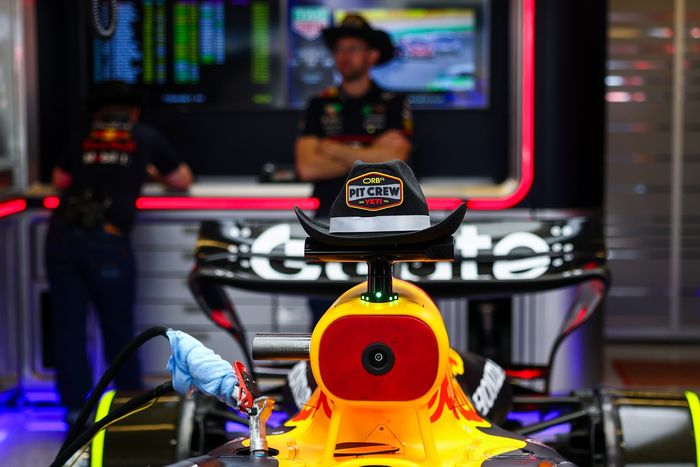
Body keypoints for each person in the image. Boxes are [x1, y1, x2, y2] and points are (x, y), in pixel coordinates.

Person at [45, 83, 193, 424]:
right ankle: (128, 410)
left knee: (69, 327)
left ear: (97, 111)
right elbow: (182, 179)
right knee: (118, 328)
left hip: (62, 238)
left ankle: (76, 413)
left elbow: (60, 179)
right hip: (107, 243)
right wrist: (147, 172)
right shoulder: (144, 136)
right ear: (134, 112)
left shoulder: (83, 134)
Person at [295, 13, 414, 325]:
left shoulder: (393, 102)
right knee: (325, 315)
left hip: (384, 224)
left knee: (383, 317)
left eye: (352, 48)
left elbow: (396, 160)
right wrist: (370, 152)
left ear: (372, 55)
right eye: (339, 49)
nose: (343, 56)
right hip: (328, 225)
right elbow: (307, 167)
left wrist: (332, 148)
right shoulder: (318, 104)